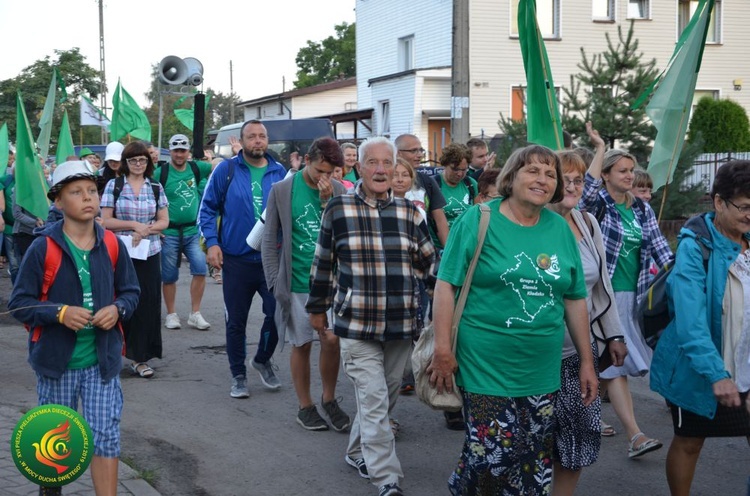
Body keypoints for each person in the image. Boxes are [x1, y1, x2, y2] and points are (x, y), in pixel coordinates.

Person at [431, 144, 598, 495]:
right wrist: (443, 350)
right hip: (484, 364)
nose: (543, 179)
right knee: (494, 455)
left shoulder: (559, 229)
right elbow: (446, 286)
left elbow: (574, 297)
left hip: (541, 368)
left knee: (532, 459)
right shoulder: (479, 219)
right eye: (533, 170)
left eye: (550, 174)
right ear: (512, 176)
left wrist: (586, 361)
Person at [306, 137, 436, 496]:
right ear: (358, 168)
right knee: (375, 399)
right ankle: (386, 478)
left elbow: (429, 268)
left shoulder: (410, 213)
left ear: (396, 168)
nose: (380, 170)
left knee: (384, 396)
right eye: (372, 163)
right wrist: (318, 310)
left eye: (386, 163)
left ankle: (355, 451)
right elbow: (323, 266)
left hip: (400, 324)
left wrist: (447, 307)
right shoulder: (338, 209)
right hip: (357, 323)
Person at [9, 160, 140, 496]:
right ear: (57, 201)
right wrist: (60, 313)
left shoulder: (111, 244)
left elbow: (131, 292)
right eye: (76, 192)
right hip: (57, 363)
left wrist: (118, 308)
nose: (88, 198)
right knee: (54, 440)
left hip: (102, 361)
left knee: (104, 435)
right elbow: (20, 304)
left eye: (92, 191)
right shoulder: (43, 247)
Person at [650, 160, 750, 496]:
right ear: (719, 202)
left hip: (747, 363)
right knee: (690, 442)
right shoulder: (697, 247)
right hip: (701, 369)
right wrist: (717, 375)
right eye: (745, 206)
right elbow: (691, 322)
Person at [578, 122, 672, 458]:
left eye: (632, 170)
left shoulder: (641, 208)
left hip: (635, 297)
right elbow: (585, 189)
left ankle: (585, 414)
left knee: (607, 362)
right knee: (615, 365)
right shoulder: (597, 203)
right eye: (623, 170)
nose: (631, 176)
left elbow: (661, 249)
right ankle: (635, 435)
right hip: (602, 297)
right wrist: (599, 147)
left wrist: (679, 274)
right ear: (606, 174)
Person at [548, 151, 628, 496]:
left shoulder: (587, 223)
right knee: (531, 446)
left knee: (576, 444)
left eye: (578, 180)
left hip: (579, 354)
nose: (572, 186)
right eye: (564, 179)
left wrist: (613, 334)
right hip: (533, 357)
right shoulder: (529, 224)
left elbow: (601, 287)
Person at [262, 137, 351, 432]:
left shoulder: (339, 191)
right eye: (320, 170)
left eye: (331, 172)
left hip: (331, 283)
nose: (325, 177)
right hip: (297, 281)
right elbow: (269, 238)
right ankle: (305, 405)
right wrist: (275, 282)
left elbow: (344, 236)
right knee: (301, 344)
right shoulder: (283, 190)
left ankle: (329, 398)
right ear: (307, 161)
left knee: (331, 340)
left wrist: (328, 201)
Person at [199, 119, 287, 398]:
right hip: (236, 260)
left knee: (276, 315)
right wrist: (212, 243)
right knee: (235, 321)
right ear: (242, 140)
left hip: (271, 261)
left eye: (262, 136)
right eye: (252, 136)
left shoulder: (280, 171)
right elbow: (207, 209)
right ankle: (238, 373)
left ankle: (261, 359)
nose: (258, 141)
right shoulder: (226, 170)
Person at [101, 141, 169, 378]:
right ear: (126, 162)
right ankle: (112, 352)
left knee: (146, 303)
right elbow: (105, 220)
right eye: (133, 160)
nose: (138, 164)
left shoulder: (156, 186)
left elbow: (163, 220)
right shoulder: (115, 185)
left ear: (148, 162)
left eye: (142, 160)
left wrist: (145, 230)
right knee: (118, 301)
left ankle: (140, 358)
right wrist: (133, 225)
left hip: (149, 252)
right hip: (120, 252)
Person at [155, 134, 213, 331]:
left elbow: (220, 166)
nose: (179, 154)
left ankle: (194, 313)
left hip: (192, 230)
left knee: (200, 269)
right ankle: (171, 314)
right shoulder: (160, 172)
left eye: (183, 150)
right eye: (176, 150)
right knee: (169, 276)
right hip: (169, 232)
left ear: (188, 151)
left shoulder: (197, 168)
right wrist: (155, 225)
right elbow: (148, 195)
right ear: (170, 151)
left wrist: (233, 152)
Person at [395, 134, 449, 247]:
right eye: (413, 151)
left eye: (421, 150)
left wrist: (449, 254)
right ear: (398, 153)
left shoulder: (428, 181)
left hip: (423, 248)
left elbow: (440, 220)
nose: (419, 155)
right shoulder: (386, 180)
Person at [435, 143, 478, 232]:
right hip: (440, 243)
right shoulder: (434, 184)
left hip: (466, 240)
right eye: (455, 169)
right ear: (445, 164)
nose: (459, 174)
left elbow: (477, 214)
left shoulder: (471, 184)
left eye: (464, 170)